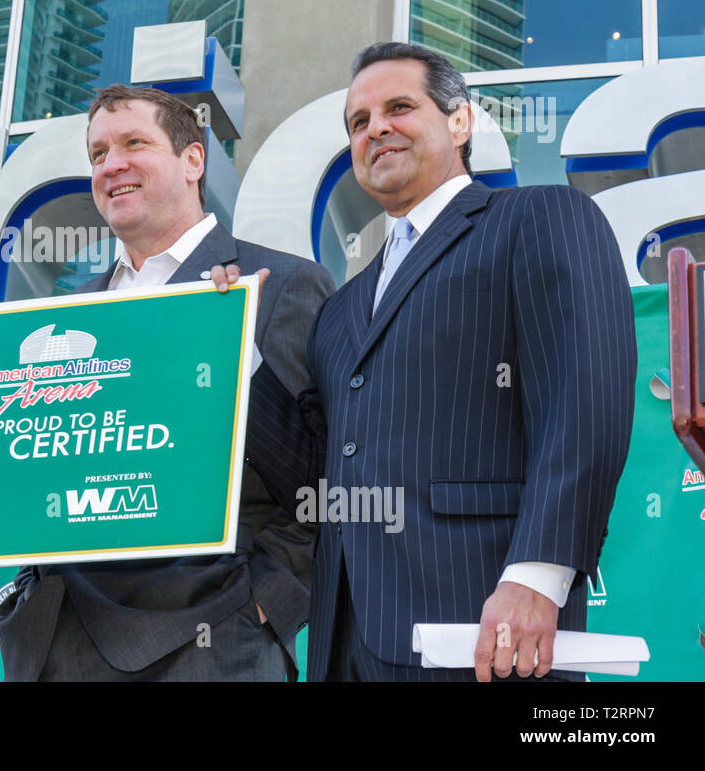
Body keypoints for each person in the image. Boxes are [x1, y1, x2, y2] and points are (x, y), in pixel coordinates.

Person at [239, 42, 636, 681]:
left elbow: (583, 403)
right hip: (348, 645)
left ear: (461, 121)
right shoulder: (340, 311)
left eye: (399, 107)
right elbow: (316, 471)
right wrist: (240, 349)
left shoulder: (540, 218)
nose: (377, 129)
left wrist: (538, 578)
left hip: (485, 626)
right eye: (358, 122)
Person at [0, 84, 334, 681]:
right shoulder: (64, 317)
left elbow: (328, 473)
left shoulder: (282, 284)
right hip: (54, 641)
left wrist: (266, 605)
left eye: (134, 144)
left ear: (193, 160)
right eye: (98, 154)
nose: (112, 165)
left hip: (209, 640)